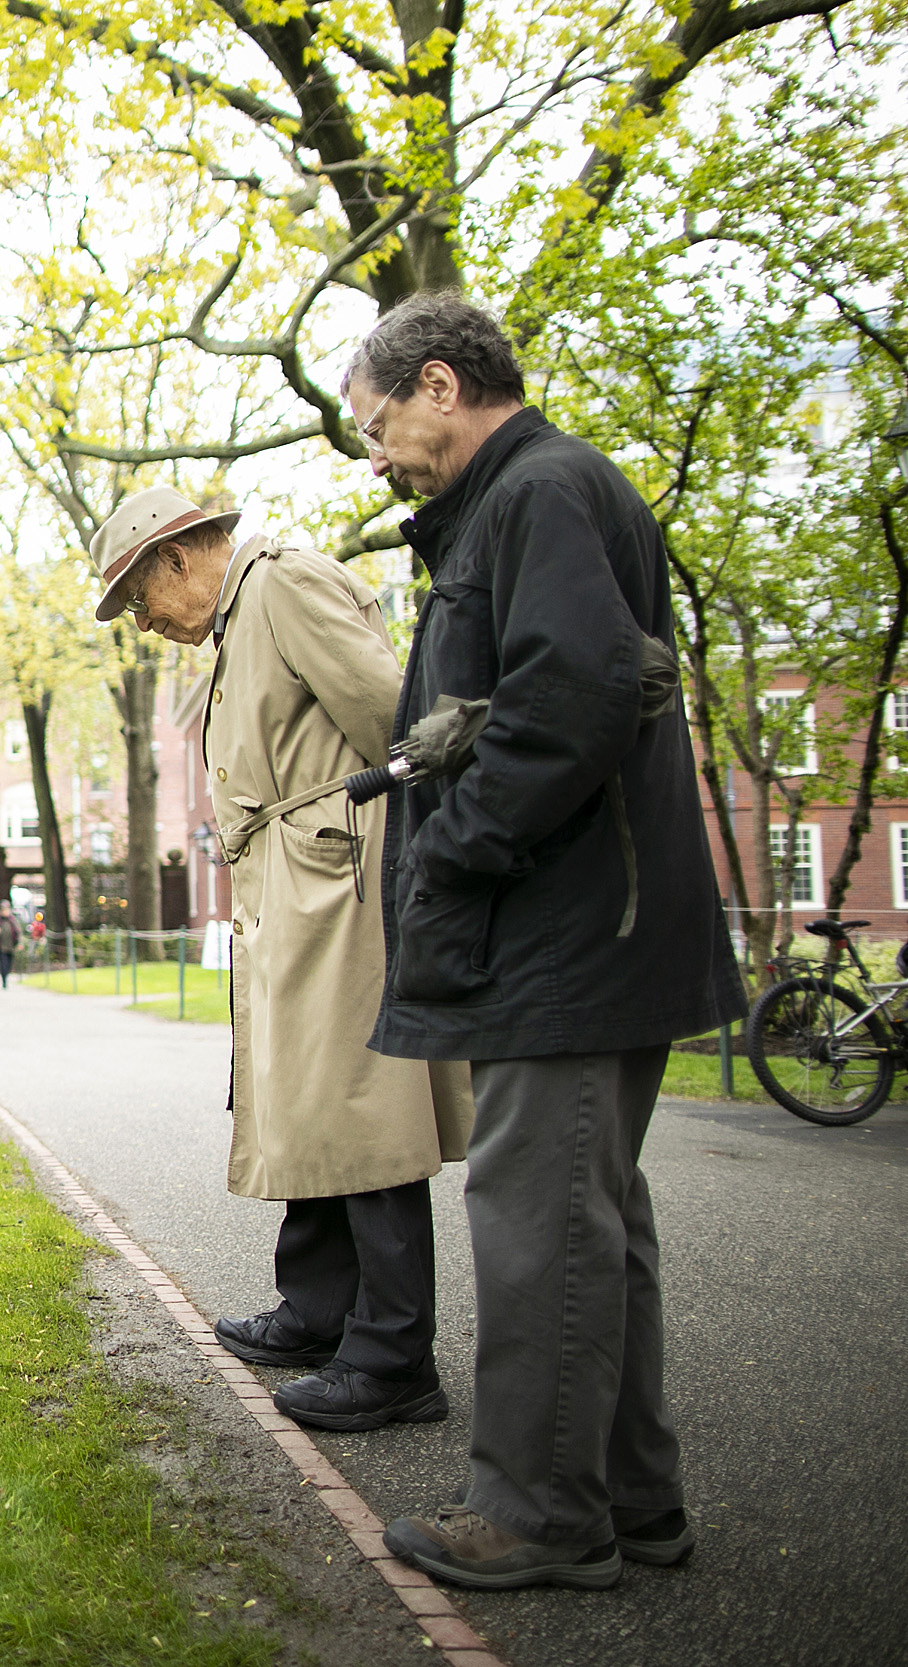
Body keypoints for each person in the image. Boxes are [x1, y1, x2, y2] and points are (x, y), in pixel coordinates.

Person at [342, 295, 744, 1590]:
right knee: (592, 1222)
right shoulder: (538, 495)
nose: (374, 450)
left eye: (379, 420)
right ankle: (635, 1499)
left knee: (540, 1222)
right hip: (592, 929)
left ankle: (538, 1514)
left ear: (442, 385)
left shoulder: (538, 492)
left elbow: (570, 695)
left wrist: (451, 842)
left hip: (571, 937)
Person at [90, 482, 471, 1435]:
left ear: (179, 555)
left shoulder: (284, 583)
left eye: (140, 598)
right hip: (296, 885)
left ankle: (392, 1357)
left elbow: (400, 718)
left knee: (359, 1105)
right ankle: (318, 1310)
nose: (144, 622)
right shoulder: (241, 616)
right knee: (306, 1096)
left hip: (335, 879)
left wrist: (349, 840)